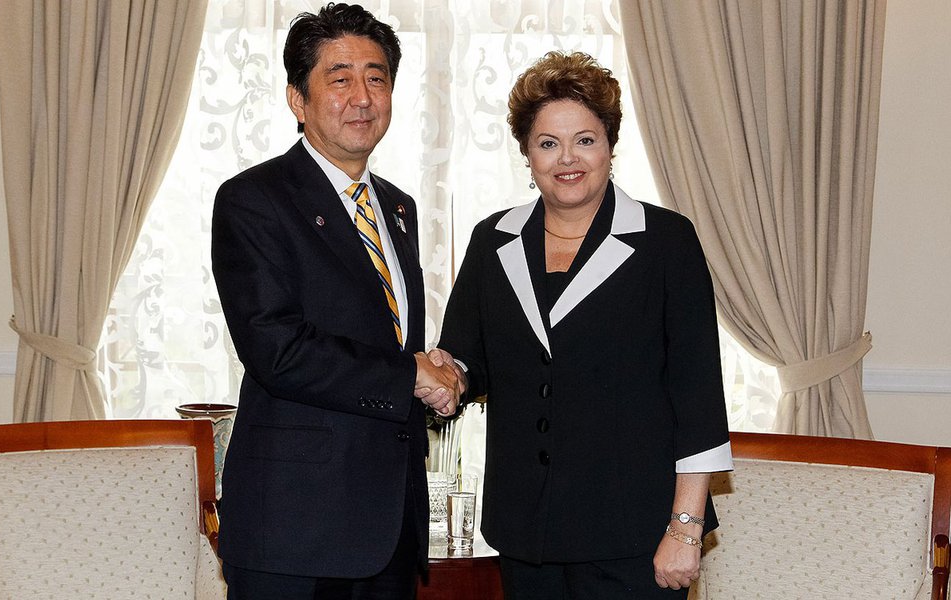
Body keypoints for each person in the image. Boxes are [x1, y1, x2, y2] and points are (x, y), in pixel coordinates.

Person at [435, 51, 733, 599]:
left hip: (635, 538)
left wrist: (685, 528)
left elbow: (697, 397)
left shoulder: (666, 241)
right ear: (527, 153)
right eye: (548, 143)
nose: (566, 158)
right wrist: (444, 376)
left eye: (585, 140)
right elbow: (464, 360)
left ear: (610, 146)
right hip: (527, 534)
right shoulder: (491, 241)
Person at [210, 4, 461, 598]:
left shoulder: (398, 208)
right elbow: (276, 348)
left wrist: (436, 372)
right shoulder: (254, 200)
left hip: (388, 525)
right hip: (295, 530)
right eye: (340, 77)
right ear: (298, 100)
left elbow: (379, 335)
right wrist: (410, 375)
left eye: (377, 78)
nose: (362, 96)